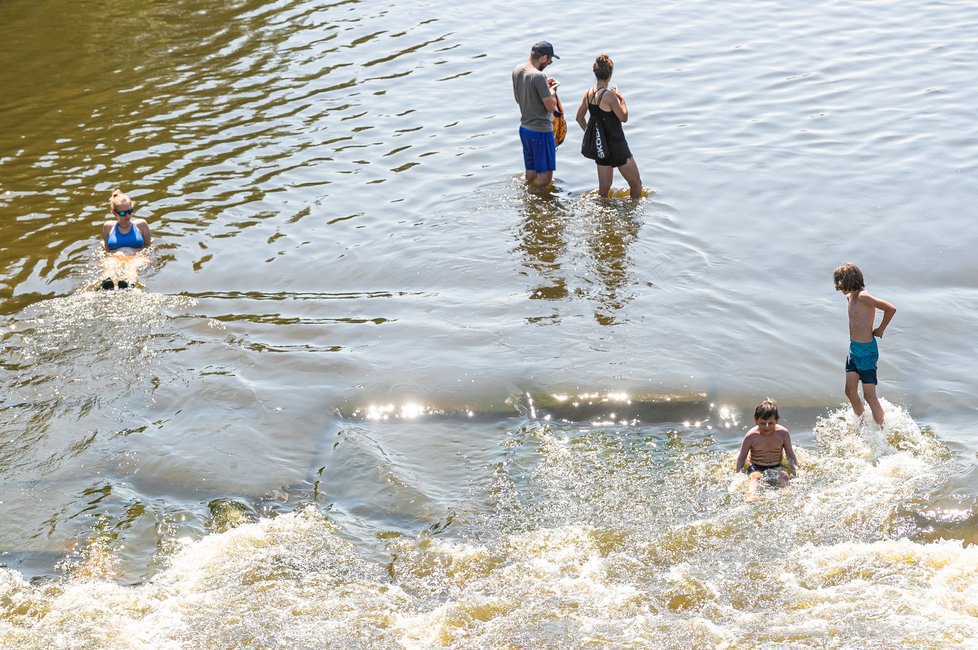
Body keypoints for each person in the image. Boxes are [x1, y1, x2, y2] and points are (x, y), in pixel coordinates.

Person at [834, 263, 897, 426]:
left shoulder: (863, 296)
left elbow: (890, 309)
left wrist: (880, 329)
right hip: (853, 350)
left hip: (867, 352)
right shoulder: (850, 296)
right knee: (849, 391)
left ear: (849, 280)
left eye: (840, 281)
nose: (838, 286)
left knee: (869, 396)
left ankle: (883, 428)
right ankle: (863, 423)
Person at [575, 54, 642, 199]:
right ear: (610, 75)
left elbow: (579, 118)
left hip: (602, 148)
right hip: (617, 147)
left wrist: (592, 135)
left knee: (604, 191)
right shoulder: (609, 96)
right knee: (636, 184)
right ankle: (632, 217)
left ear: (595, 73)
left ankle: (602, 219)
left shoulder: (588, 94)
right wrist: (621, 99)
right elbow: (623, 117)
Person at [512, 41, 560, 189]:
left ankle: (528, 198)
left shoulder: (518, 70)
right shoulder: (539, 76)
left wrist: (544, 88)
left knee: (531, 174)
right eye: (550, 61)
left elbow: (518, 98)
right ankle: (534, 199)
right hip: (541, 131)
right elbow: (551, 107)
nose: (549, 63)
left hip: (525, 129)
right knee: (545, 179)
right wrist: (551, 91)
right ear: (544, 58)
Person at [735, 399, 798, 490]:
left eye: (770, 423)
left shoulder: (783, 433)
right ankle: (750, 495)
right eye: (763, 423)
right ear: (756, 420)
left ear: (777, 420)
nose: (767, 427)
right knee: (756, 477)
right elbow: (742, 456)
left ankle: (786, 494)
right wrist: (738, 474)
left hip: (777, 465)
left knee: (784, 476)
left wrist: (796, 469)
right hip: (756, 466)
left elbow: (790, 454)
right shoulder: (751, 436)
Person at [100, 189, 152, 290]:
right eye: (123, 213)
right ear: (115, 213)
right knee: (110, 266)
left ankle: (128, 283)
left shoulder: (141, 225)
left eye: (129, 211)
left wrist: (140, 256)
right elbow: (107, 250)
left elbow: (148, 246)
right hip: (115, 257)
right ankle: (106, 283)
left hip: (136, 256)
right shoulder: (108, 227)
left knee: (132, 267)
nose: (128, 216)